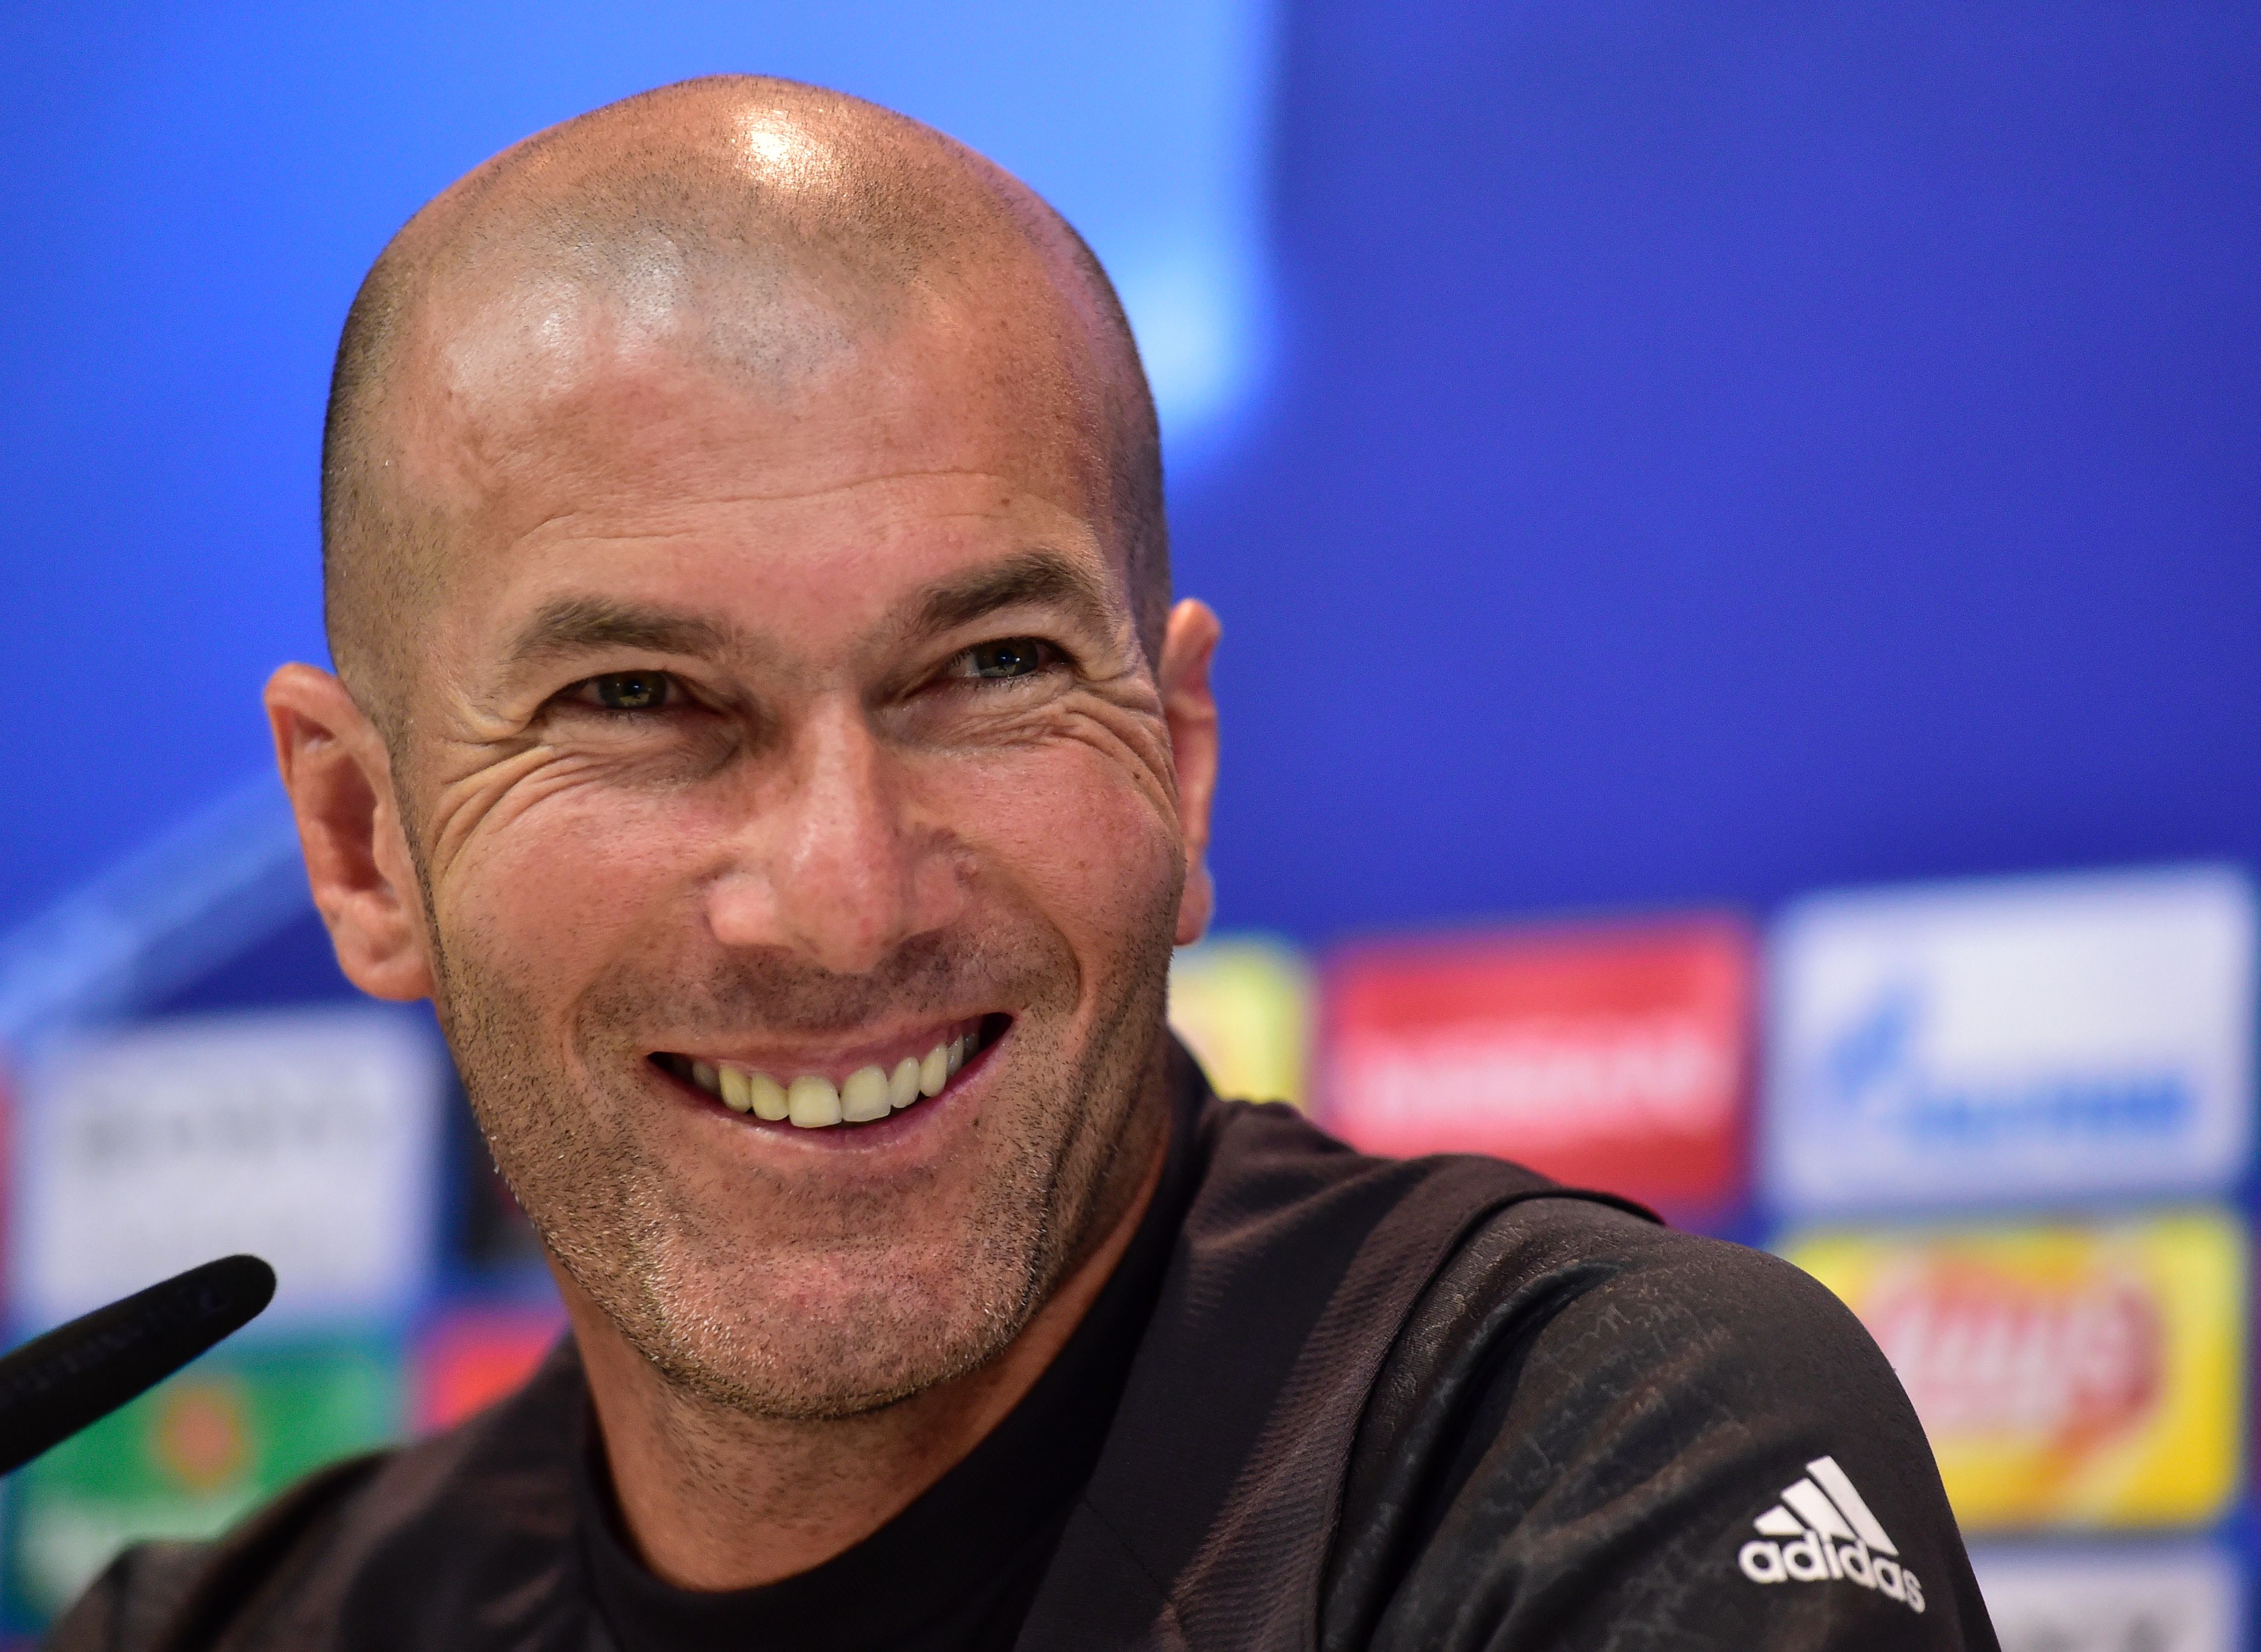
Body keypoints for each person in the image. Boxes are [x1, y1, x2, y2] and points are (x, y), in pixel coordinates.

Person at [51, 76, 1997, 1652]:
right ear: (358, 840)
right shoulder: (228, 1629)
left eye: (987, 672)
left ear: (1181, 756)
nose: (842, 898)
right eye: (641, 698)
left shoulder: (1583, 1452)